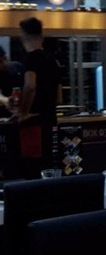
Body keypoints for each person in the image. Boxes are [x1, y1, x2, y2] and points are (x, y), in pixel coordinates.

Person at [18, 17, 63, 176]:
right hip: (50, 120)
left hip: (34, 123)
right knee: (48, 167)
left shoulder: (31, 58)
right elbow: (59, 97)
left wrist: (23, 112)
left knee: (33, 169)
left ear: (24, 35)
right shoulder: (53, 60)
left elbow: (30, 85)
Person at [0, 45, 24, 118]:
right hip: (5, 114)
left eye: (5, 58)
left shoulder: (17, 66)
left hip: (23, 110)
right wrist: (6, 100)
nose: (4, 63)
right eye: (0, 62)